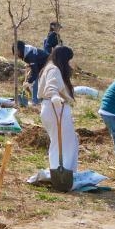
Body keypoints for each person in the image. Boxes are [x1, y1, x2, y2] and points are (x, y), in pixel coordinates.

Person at [39, 46, 78, 182]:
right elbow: (51, 87)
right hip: (55, 108)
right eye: (68, 60)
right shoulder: (54, 69)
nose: (69, 64)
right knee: (63, 143)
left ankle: (64, 172)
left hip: (52, 107)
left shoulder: (49, 67)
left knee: (64, 142)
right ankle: (62, 174)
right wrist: (55, 97)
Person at [15, 40, 49, 105]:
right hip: (41, 64)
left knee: (35, 82)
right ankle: (39, 99)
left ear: (21, 49)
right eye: (15, 51)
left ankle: (36, 101)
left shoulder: (29, 55)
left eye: (17, 51)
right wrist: (30, 65)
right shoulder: (26, 50)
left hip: (47, 64)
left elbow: (35, 71)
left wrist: (29, 82)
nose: (16, 53)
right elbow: (35, 63)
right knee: (35, 80)